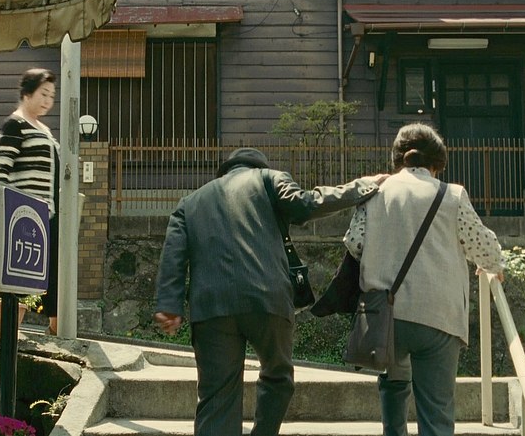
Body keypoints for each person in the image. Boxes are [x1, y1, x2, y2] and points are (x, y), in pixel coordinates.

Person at [154, 147, 387, 436]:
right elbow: (307, 203)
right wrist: (361, 186)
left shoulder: (189, 203)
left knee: (216, 396)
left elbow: (173, 257)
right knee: (278, 377)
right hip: (267, 298)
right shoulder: (270, 179)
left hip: (212, 307)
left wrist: (169, 306)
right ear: (258, 166)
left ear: (224, 171)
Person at [342, 123, 504, 436]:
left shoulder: (374, 192)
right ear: (437, 162)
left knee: (393, 387)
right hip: (437, 316)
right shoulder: (451, 195)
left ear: (397, 158)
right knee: (436, 414)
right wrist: (493, 265)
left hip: (385, 315)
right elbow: (485, 249)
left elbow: (355, 243)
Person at [0, 67, 60, 335]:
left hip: (48, 212)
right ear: (27, 93)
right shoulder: (15, 124)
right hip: (23, 213)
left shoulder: (45, 129)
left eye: (51, 96)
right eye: (43, 93)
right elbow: (2, 172)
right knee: (21, 272)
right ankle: (11, 330)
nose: (48, 100)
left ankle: (55, 327)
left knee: (52, 269)